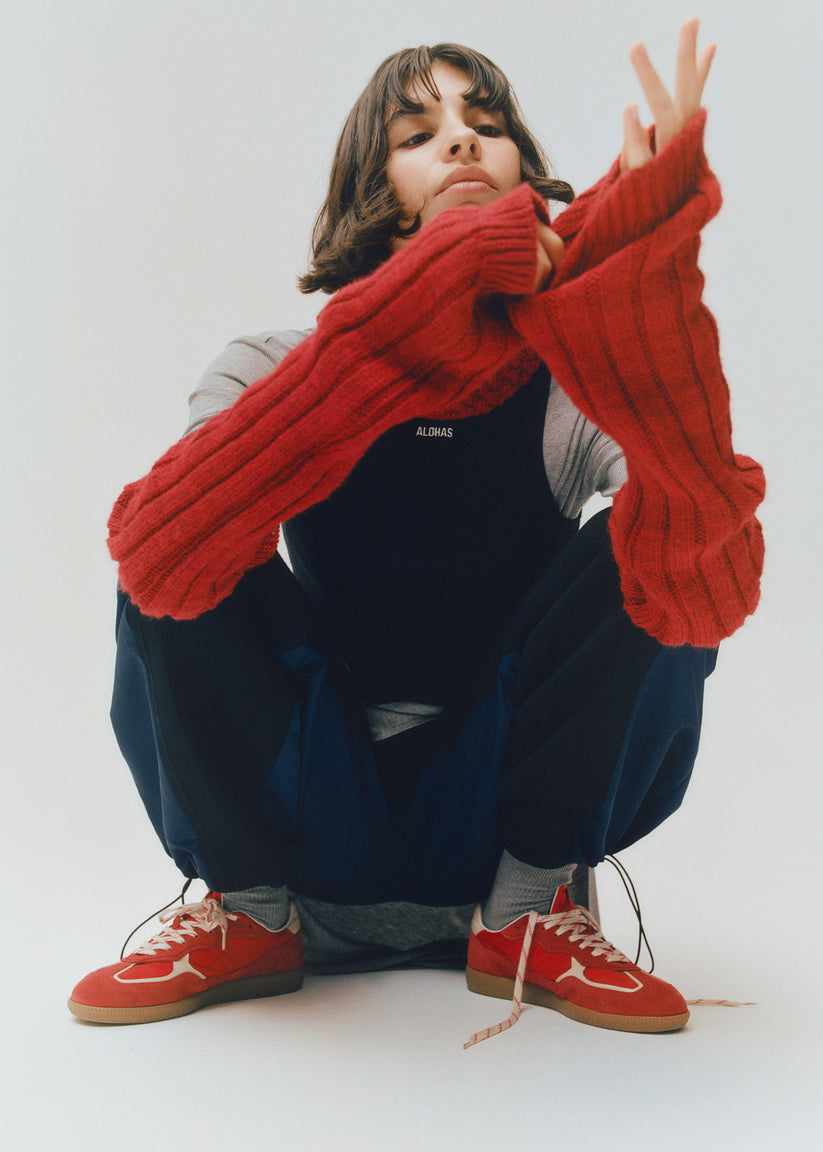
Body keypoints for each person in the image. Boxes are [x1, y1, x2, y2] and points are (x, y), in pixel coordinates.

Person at [68, 19, 765, 1042]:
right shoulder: (270, 364)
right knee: (182, 521)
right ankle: (248, 917)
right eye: (417, 133)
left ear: (523, 172)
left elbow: (712, 582)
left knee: (661, 539)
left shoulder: (566, 394)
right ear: (371, 187)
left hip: (501, 829)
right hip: (309, 822)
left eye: (486, 123)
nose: (461, 140)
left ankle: (528, 917)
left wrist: (646, 306)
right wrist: (406, 322)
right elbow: (156, 558)